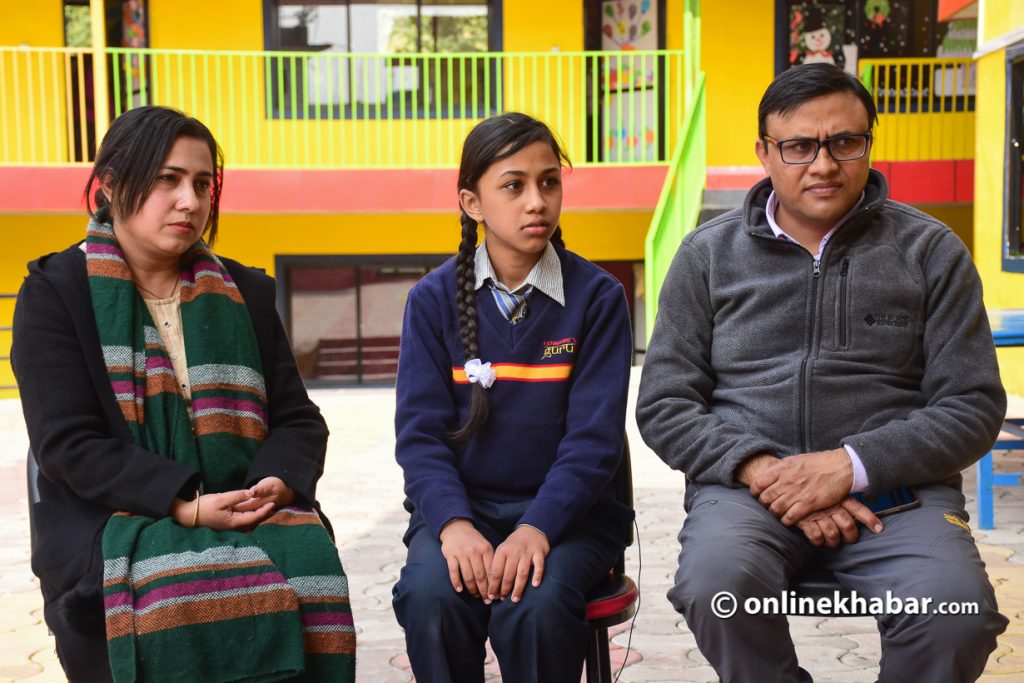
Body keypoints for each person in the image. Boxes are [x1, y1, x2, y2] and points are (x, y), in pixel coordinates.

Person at [636, 63, 1008, 683]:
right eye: (799, 146)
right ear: (764, 152)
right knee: (716, 591)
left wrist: (847, 467)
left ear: (869, 143)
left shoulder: (930, 251)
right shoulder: (707, 254)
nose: (824, 164)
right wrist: (768, 473)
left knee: (957, 613)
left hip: (896, 495)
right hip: (748, 494)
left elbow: (971, 406)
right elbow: (665, 402)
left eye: (845, 142)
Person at [12, 106, 355, 682]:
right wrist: (185, 507)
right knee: (179, 584)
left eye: (202, 184)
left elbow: (299, 419)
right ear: (113, 184)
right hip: (112, 520)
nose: (190, 202)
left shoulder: (244, 291)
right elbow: (68, 443)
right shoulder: (55, 294)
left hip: (245, 508)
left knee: (306, 557)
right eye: (167, 179)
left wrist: (273, 482)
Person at [391, 112, 635, 682]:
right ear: (472, 203)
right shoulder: (431, 302)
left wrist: (537, 528)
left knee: (535, 606)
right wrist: (453, 525)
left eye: (549, 182)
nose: (536, 201)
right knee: (431, 597)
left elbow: (594, 443)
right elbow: (420, 439)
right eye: (514, 184)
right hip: (464, 513)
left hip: (570, 520)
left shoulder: (597, 298)